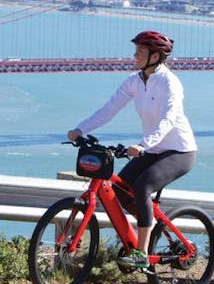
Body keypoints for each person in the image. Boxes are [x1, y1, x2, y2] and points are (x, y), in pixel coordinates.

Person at [66, 30, 197, 269]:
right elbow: (109, 109)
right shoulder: (135, 81)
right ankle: (151, 230)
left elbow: (167, 120)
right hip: (153, 149)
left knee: (142, 187)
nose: (134, 55)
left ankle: (142, 253)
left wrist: (142, 145)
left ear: (155, 56)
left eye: (140, 52)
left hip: (179, 151)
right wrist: (80, 129)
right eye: (135, 51)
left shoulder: (170, 84)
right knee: (120, 191)